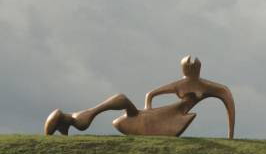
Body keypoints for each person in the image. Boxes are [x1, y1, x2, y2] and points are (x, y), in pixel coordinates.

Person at [43, 55, 235, 139]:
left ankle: (69, 119)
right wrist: (148, 110)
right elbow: (150, 94)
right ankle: (73, 118)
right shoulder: (182, 84)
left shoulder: (209, 87)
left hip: (168, 117)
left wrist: (230, 136)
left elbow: (228, 101)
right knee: (123, 100)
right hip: (156, 119)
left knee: (124, 101)